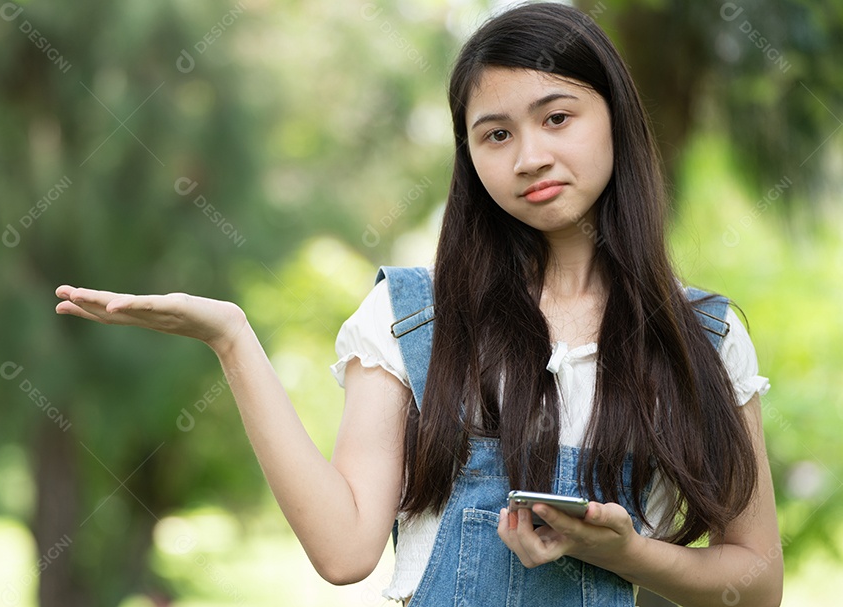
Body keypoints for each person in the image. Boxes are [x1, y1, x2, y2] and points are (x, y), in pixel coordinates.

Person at [55, 2, 783, 605]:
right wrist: (233, 339)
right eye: (496, 134)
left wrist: (631, 554)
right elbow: (343, 551)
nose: (528, 156)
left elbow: (757, 581)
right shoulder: (411, 319)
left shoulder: (704, 338)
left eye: (557, 117)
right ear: (471, 157)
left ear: (616, 118)